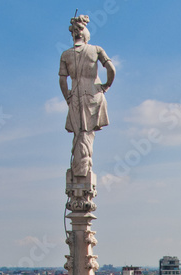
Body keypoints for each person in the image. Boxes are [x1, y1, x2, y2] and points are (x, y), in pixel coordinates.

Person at [58, 14, 115, 179]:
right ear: (86, 33)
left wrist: (67, 97)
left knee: (79, 134)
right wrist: (106, 85)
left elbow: (62, 79)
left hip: (75, 95)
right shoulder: (96, 50)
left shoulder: (65, 55)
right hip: (93, 93)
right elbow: (111, 69)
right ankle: (83, 170)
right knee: (87, 134)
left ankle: (79, 170)